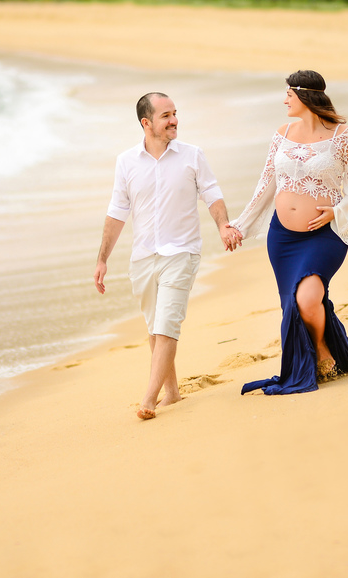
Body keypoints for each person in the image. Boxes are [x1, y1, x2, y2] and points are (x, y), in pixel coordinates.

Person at [95, 92, 241, 420]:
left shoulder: (192, 156)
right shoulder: (127, 162)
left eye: (175, 113)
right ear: (146, 123)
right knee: (154, 326)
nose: (174, 120)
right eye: (165, 116)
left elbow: (212, 195)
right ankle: (172, 392)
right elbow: (117, 213)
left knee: (167, 324)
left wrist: (223, 227)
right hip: (143, 257)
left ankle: (149, 397)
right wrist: (103, 259)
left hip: (182, 252)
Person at [228, 70, 348, 394]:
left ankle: (320, 351)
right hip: (283, 238)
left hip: (324, 234)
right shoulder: (283, 132)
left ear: (305, 96)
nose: (285, 100)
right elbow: (267, 184)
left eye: (289, 94)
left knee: (307, 299)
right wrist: (241, 225)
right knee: (294, 303)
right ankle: (325, 350)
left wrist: (337, 210)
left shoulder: (343, 135)